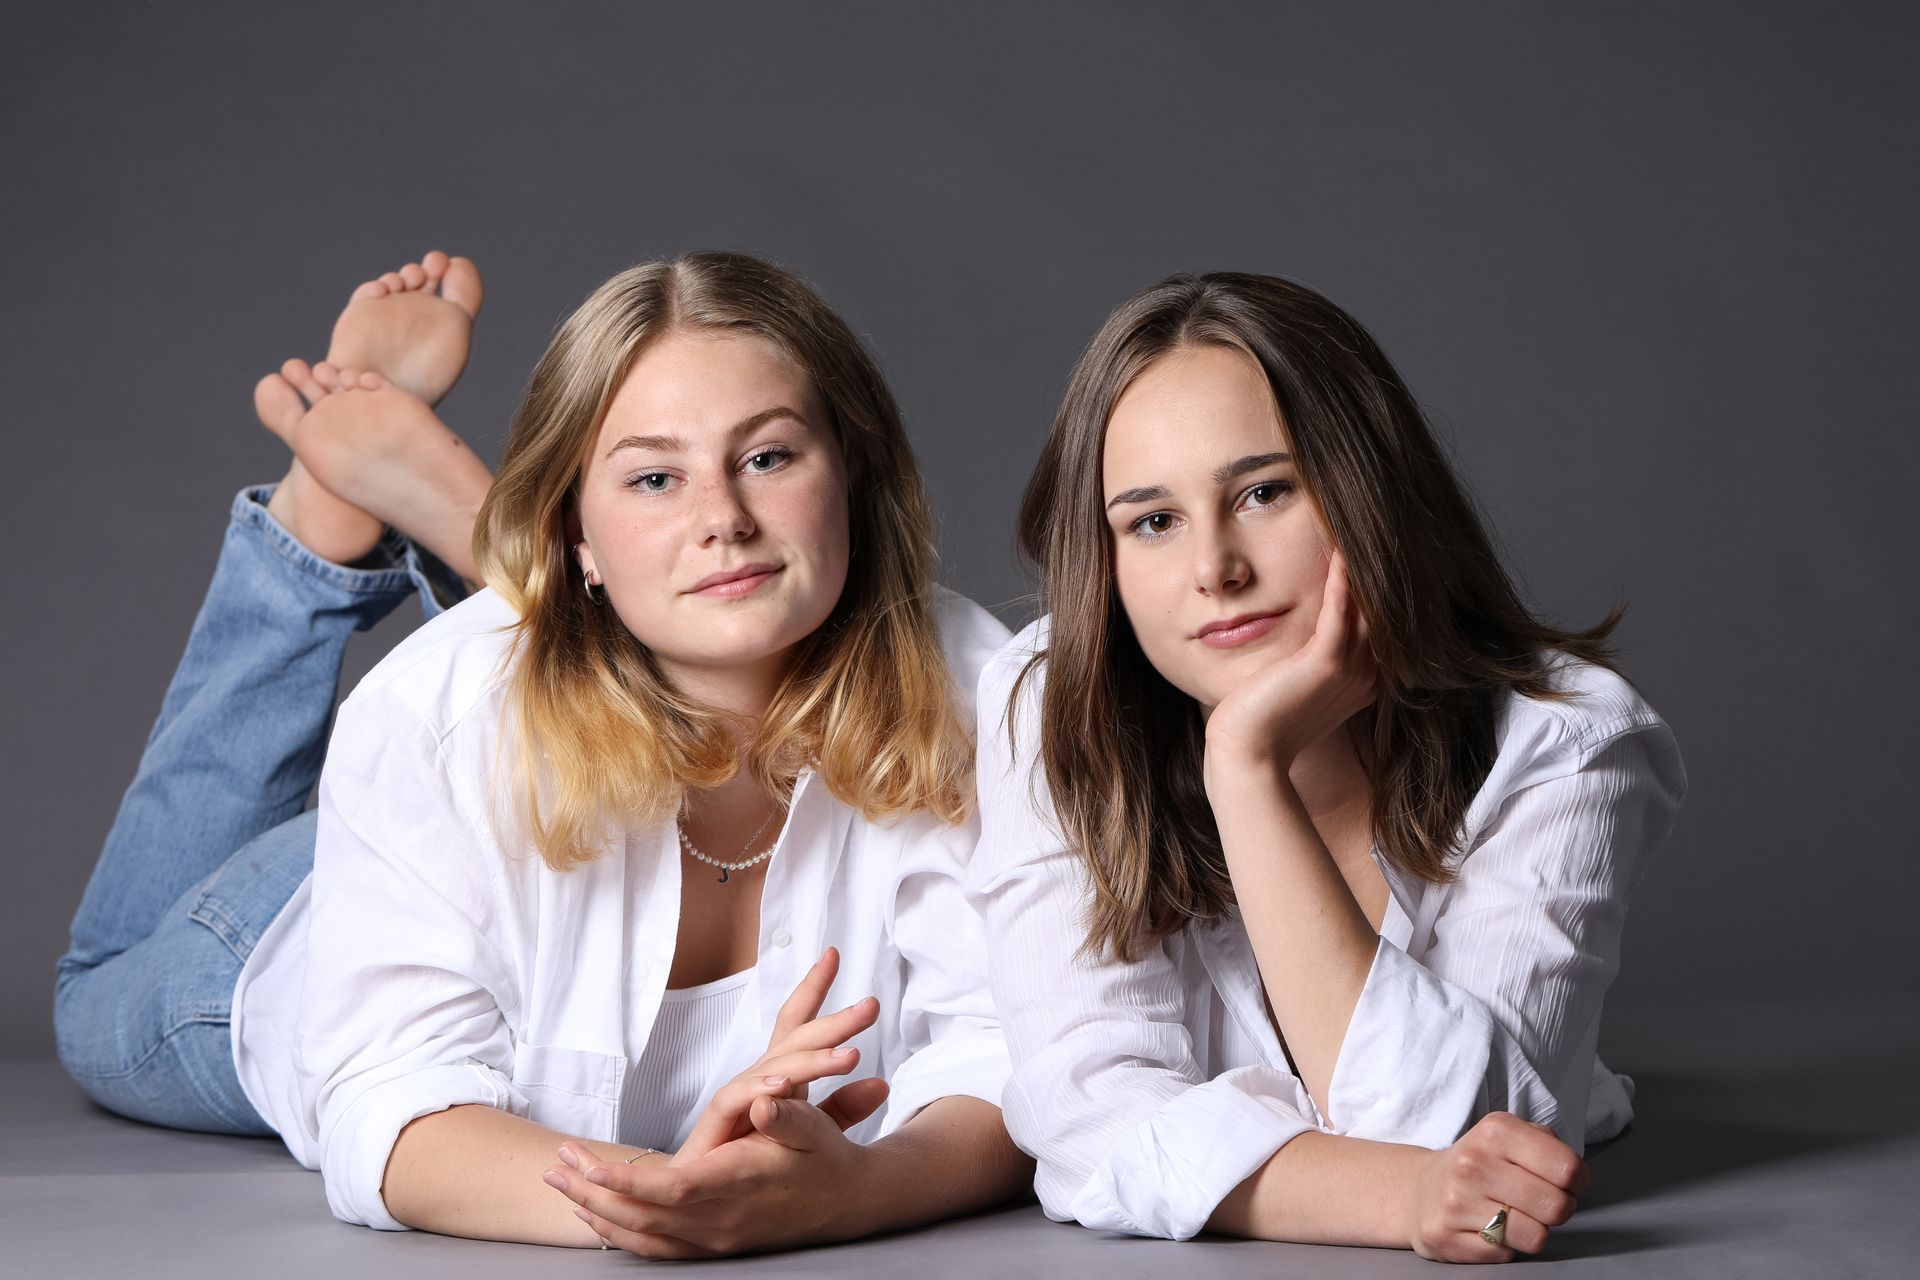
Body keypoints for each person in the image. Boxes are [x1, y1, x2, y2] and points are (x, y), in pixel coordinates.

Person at [55, 250, 1030, 1256]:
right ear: (581, 536)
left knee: (528, 672)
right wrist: (670, 1197)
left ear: (855, 473)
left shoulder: (981, 695)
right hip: (312, 917)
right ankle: (312, 531)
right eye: (654, 477)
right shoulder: (432, 718)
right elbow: (390, 1104)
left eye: (769, 458)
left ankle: (510, 559)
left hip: (476, 824)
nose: (725, 520)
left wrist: (851, 1191)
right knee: (91, 995)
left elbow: (1014, 1052)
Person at [974, 271, 1686, 1262]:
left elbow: (1471, 1144)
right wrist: (1402, 1198)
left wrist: (1247, 771)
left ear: (1369, 491)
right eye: (1153, 521)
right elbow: (1082, 1109)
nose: (1215, 569)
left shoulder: (1565, 740)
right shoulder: (1052, 699)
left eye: (1265, 492)